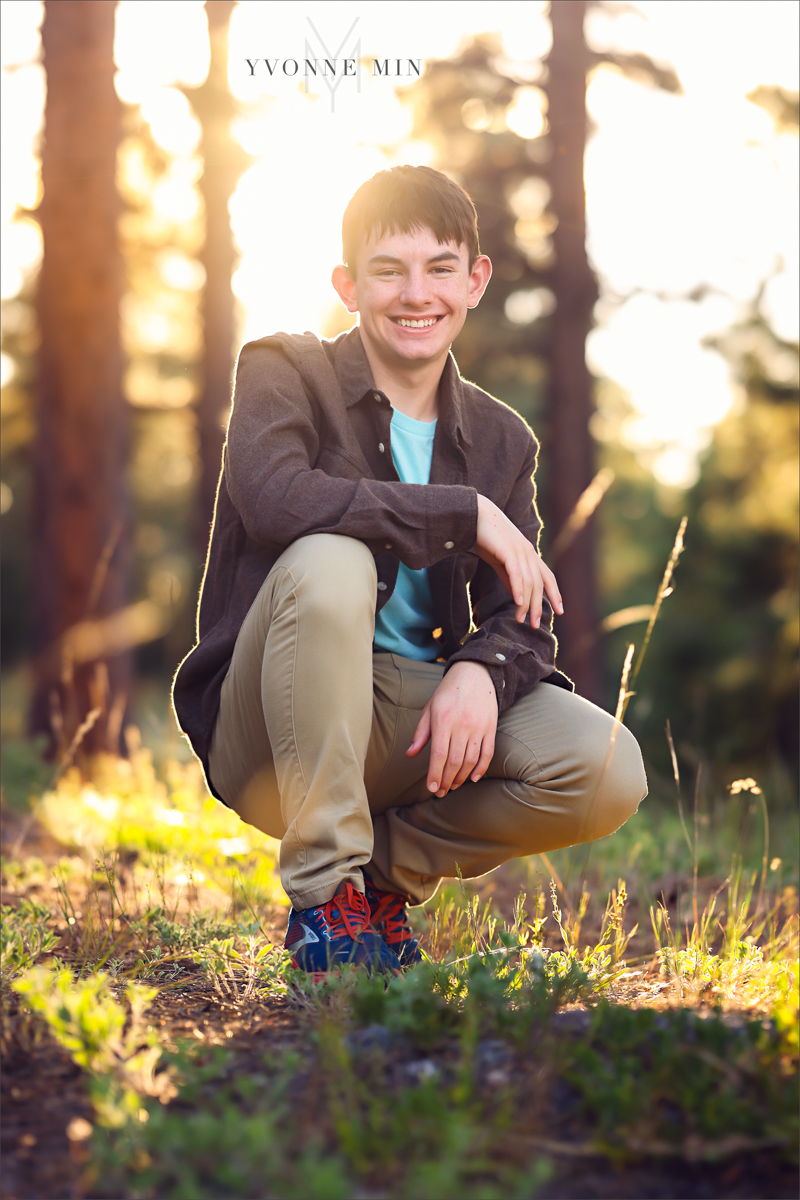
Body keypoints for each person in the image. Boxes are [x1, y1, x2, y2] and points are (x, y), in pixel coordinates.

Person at [172, 165, 647, 976]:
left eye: (438, 267)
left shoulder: (502, 441)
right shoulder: (284, 372)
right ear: (348, 286)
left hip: (406, 719)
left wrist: (478, 673)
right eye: (387, 270)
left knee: (608, 769)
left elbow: (525, 616)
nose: (414, 293)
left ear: (475, 281)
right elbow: (278, 501)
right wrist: (461, 515)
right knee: (330, 559)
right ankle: (324, 900)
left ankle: (378, 883)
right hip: (269, 730)